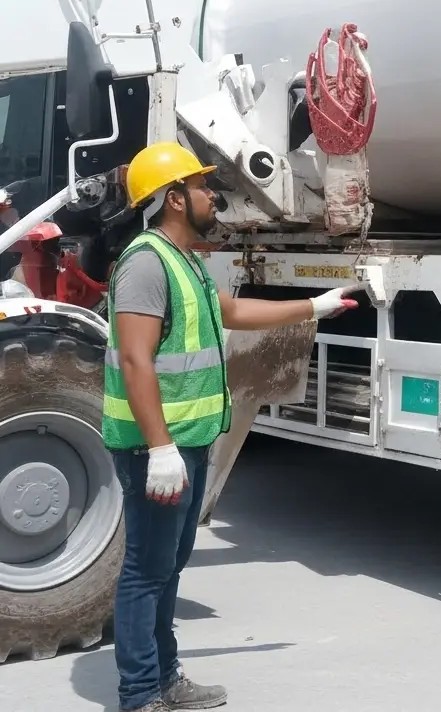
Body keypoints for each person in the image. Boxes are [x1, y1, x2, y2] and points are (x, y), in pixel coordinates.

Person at [103, 141, 359, 712]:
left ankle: (165, 678)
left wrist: (314, 307)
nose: (212, 196)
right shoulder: (146, 263)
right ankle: (140, 692)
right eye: (200, 187)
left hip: (188, 441)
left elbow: (233, 312)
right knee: (147, 570)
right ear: (174, 199)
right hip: (157, 448)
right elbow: (137, 360)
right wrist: (160, 448)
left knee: (168, 567)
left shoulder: (185, 259)